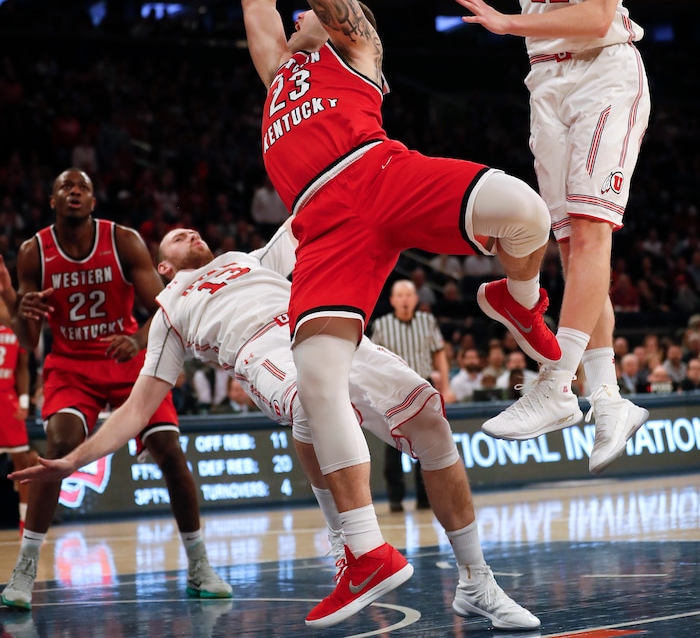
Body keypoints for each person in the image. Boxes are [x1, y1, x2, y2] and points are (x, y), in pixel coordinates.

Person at [191, 0, 558, 627]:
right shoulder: (276, 76)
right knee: (317, 373)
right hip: (323, 224)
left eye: (306, 13)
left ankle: (517, 297)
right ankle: (365, 552)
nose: (294, 16)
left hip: (381, 174)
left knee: (526, 211)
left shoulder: (354, 42)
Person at [300, 0, 651, 474]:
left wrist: (506, 20)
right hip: (546, 84)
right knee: (575, 251)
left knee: (591, 234)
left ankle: (556, 385)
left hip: (604, 71)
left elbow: (600, 14)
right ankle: (608, 399)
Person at [12, 224, 541, 632]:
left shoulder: (248, 260)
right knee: (314, 399)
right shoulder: (169, 312)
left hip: (324, 328)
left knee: (431, 422)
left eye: (192, 231)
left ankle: (477, 582)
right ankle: (353, 547)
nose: (190, 233)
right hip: (262, 354)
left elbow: (305, 212)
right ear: (165, 268)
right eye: (176, 237)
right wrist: (72, 460)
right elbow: (135, 408)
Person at [1, 169, 230, 610]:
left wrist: (139, 341)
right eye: (66, 187)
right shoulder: (34, 252)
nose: (74, 192)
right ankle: (25, 571)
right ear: (52, 201)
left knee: (168, 450)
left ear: (93, 200)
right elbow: (29, 343)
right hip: (71, 367)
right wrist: (22, 312)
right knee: (60, 446)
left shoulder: (121, 241)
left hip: (126, 360)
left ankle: (200, 564)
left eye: (82, 187)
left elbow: (163, 307)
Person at [369, 278, 447, 512]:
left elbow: (439, 354)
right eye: (400, 295)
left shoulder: (427, 321)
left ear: (415, 299)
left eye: (408, 295)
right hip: (392, 391)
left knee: (426, 445)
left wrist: (446, 387)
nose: (404, 299)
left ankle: (425, 498)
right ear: (392, 300)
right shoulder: (382, 325)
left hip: (423, 385)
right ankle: (395, 499)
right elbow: (373, 362)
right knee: (393, 446)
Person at [0, 256, 36, 535]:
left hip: (8, 398)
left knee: (22, 464)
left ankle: (27, 524)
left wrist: (24, 401)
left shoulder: (13, 316)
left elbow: (23, 367)